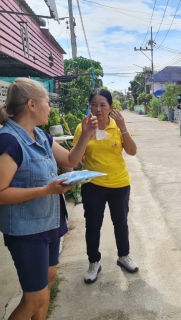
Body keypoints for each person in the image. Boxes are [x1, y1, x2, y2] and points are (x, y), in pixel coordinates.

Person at [0, 78, 97, 320]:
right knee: (34, 297)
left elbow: (69, 160)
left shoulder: (41, 136)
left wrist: (86, 135)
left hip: (50, 223)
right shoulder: (8, 141)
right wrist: (47, 190)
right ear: (32, 105)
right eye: (47, 102)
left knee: (46, 286)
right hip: (27, 231)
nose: (50, 107)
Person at [73, 89, 138, 284]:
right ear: (89, 106)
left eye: (103, 105)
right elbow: (75, 160)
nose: (98, 109)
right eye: (94, 104)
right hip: (93, 184)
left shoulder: (117, 127)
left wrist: (124, 127)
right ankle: (94, 262)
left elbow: (132, 151)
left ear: (110, 107)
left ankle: (123, 256)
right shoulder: (82, 128)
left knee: (121, 222)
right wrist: (86, 136)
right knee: (93, 225)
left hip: (119, 183)